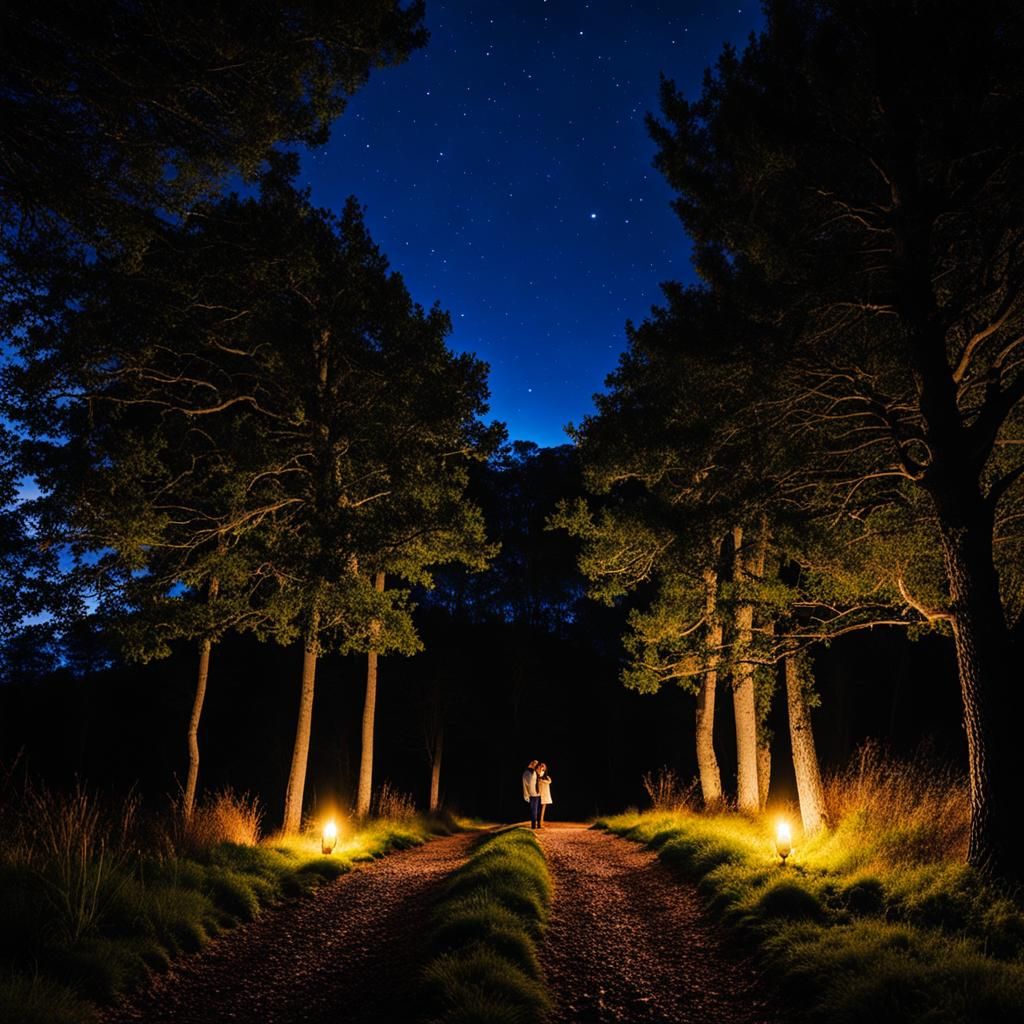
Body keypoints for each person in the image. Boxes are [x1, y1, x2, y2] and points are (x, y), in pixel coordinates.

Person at [522, 758, 540, 828]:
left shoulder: (535, 772)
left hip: (537, 793)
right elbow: (525, 784)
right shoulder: (526, 773)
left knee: (537, 810)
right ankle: (533, 825)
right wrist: (526, 795)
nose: (536, 764)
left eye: (536, 763)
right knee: (534, 810)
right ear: (531, 763)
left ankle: (536, 824)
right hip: (532, 794)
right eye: (534, 763)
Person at [537, 763, 553, 828]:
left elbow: (549, 781)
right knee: (538, 810)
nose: (542, 767)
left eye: (544, 767)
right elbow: (538, 781)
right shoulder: (537, 775)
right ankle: (538, 823)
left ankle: (541, 823)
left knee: (543, 810)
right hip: (539, 794)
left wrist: (543, 780)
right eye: (541, 766)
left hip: (545, 795)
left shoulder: (547, 777)